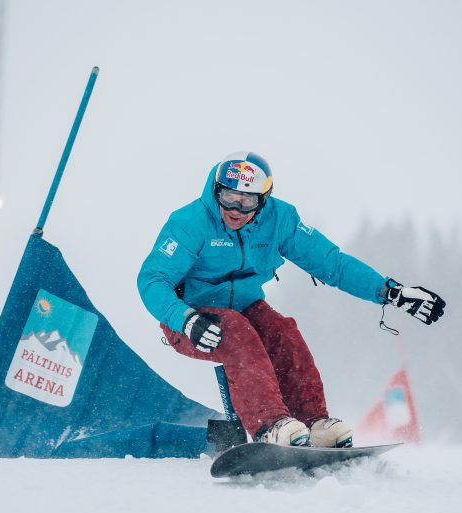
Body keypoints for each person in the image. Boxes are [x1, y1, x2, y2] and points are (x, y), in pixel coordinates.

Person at [136, 152, 445, 448]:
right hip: (188, 318)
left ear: (264, 199)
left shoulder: (280, 220)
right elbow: (152, 280)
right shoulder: (190, 223)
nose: (235, 208)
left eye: (247, 201)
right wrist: (185, 320)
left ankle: (312, 423)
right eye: (228, 196)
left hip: (243, 307)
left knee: (283, 331)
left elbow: (331, 263)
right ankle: (269, 426)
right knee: (236, 331)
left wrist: (390, 292)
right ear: (214, 190)